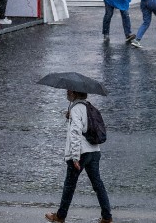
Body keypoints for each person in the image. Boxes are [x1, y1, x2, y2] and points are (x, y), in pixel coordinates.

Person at [44, 90, 112, 223]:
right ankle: (107, 217)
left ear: (74, 94)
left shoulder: (76, 109)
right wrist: (71, 116)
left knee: (69, 186)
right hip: (94, 151)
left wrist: (75, 157)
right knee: (98, 185)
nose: (67, 92)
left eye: (69, 91)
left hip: (80, 153)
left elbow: (75, 133)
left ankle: (60, 217)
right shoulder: (89, 107)